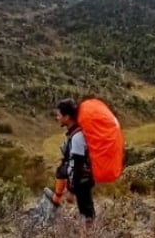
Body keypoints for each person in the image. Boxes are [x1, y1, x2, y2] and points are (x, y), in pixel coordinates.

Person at [47, 98, 95, 230]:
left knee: (86, 213)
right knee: (86, 211)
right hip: (83, 179)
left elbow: (77, 164)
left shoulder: (77, 137)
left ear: (67, 117)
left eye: (59, 115)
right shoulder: (75, 134)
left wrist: (72, 190)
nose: (57, 117)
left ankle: (90, 234)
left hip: (83, 180)